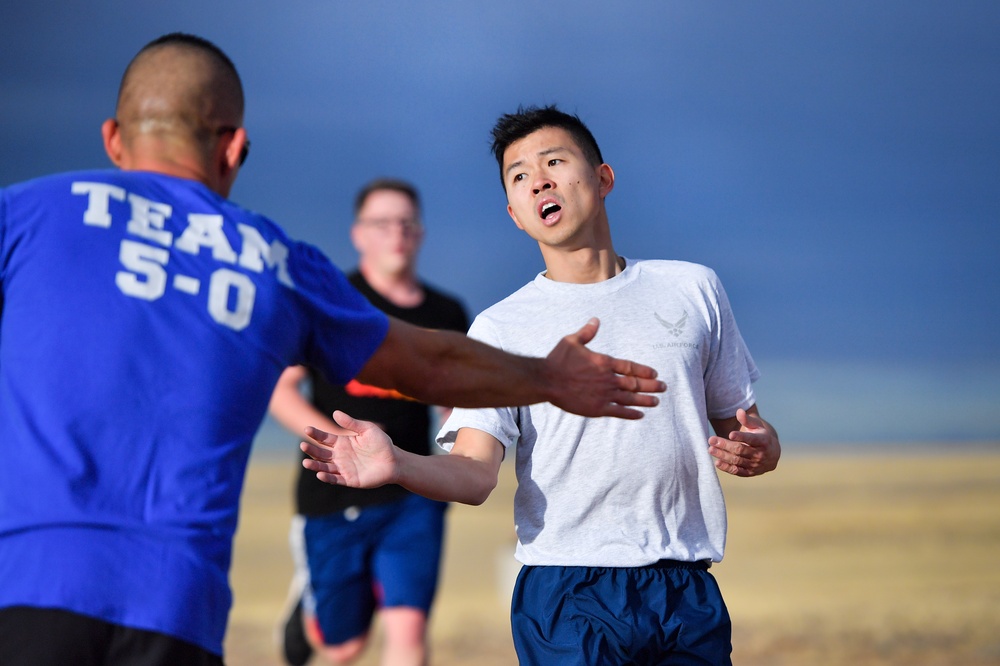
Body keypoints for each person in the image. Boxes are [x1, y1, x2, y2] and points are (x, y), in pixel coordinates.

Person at [0, 38, 666, 666]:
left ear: (113, 139)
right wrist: (548, 378)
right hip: (174, 609)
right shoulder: (275, 261)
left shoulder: (26, 215)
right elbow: (430, 364)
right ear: (234, 147)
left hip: (19, 589)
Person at [298, 105, 782, 665]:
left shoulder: (693, 289)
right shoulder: (500, 328)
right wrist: (398, 464)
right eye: (520, 176)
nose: (540, 181)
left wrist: (764, 447)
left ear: (602, 178)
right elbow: (478, 473)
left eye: (554, 161)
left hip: (685, 586)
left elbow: (742, 425)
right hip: (566, 594)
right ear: (515, 214)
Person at [269, 178, 469, 666]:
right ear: (359, 234)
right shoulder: (328, 302)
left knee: (409, 630)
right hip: (333, 492)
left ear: (420, 233)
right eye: (382, 223)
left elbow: (457, 404)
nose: (396, 233)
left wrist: (463, 432)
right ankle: (310, 612)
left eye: (407, 222)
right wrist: (340, 443)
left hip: (411, 492)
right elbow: (280, 389)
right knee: (344, 647)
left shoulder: (445, 313)